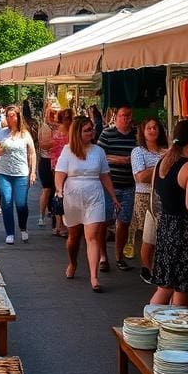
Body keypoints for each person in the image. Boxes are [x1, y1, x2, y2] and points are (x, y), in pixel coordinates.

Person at [53, 115, 119, 292]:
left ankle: (94, 277)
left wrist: (112, 196)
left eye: (92, 129)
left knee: (93, 236)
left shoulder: (98, 151)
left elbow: (105, 175)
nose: (92, 132)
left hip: (94, 194)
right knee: (74, 237)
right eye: (87, 130)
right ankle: (73, 262)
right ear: (78, 132)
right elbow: (59, 173)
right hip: (73, 195)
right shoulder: (68, 151)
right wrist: (59, 190)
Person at [150, 119, 188, 306]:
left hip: (166, 226)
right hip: (185, 231)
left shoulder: (161, 163)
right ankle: (169, 329)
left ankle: (154, 325)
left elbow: (157, 197)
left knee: (167, 286)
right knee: (181, 288)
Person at [97, 105, 140, 272]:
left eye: (128, 115)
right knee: (104, 222)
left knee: (124, 222)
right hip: (109, 185)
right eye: (123, 115)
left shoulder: (136, 135)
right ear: (117, 116)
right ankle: (102, 257)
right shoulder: (107, 134)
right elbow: (99, 155)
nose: (126, 119)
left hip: (129, 185)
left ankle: (119, 256)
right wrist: (118, 160)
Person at [0, 105, 37, 245]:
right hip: (3, 172)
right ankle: (9, 232)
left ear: (18, 117)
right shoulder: (1, 134)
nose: (10, 118)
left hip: (21, 173)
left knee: (21, 203)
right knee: (7, 201)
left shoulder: (25, 134)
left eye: (13, 115)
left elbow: (32, 153)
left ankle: (23, 227)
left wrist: (33, 171)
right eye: (8, 116)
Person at [128, 117, 169, 277]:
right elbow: (141, 177)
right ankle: (146, 266)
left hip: (163, 195)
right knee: (146, 234)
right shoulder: (138, 152)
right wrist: (161, 166)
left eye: (155, 127)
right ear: (143, 132)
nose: (153, 130)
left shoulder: (166, 151)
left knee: (162, 233)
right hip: (145, 196)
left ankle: (160, 265)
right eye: (149, 128)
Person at [49, 108, 73, 236]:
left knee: (65, 194)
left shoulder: (72, 131)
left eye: (70, 118)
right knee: (60, 193)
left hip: (69, 166)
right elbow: (48, 147)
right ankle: (60, 224)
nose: (68, 120)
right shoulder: (58, 131)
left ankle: (61, 224)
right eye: (65, 118)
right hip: (58, 166)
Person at [36, 106, 57, 228]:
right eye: (51, 113)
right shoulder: (45, 127)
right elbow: (43, 145)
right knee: (47, 188)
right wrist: (60, 141)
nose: (54, 116)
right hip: (47, 161)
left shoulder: (57, 127)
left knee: (55, 190)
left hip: (55, 161)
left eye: (56, 113)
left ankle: (54, 217)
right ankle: (41, 216)